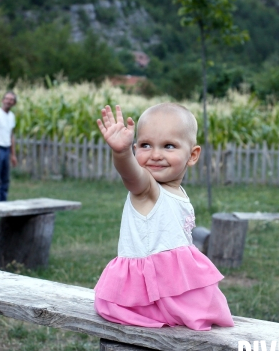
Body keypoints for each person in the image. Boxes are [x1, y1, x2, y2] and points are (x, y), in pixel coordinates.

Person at [93, 103, 234, 331]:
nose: (155, 155)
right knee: (206, 312)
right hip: (143, 293)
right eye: (146, 145)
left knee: (212, 308)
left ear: (192, 155)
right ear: (136, 148)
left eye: (169, 146)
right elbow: (131, 175)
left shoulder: (175, 191)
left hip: (169, 283)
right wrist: (121, 153)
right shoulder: (147, 188)